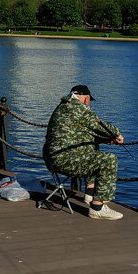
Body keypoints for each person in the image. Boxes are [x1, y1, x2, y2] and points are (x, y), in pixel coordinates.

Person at [43, 84, 125, 220]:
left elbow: (82, 135)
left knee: (92, 150)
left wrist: (106, 140)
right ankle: (97, 208)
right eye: (89, 101)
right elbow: (100, 125)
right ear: (86, 98)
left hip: (52, 159)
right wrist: (116, 134)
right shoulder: (78, 108)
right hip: (64, 161)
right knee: (109, 159)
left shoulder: (62, 107)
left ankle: (90, 195)